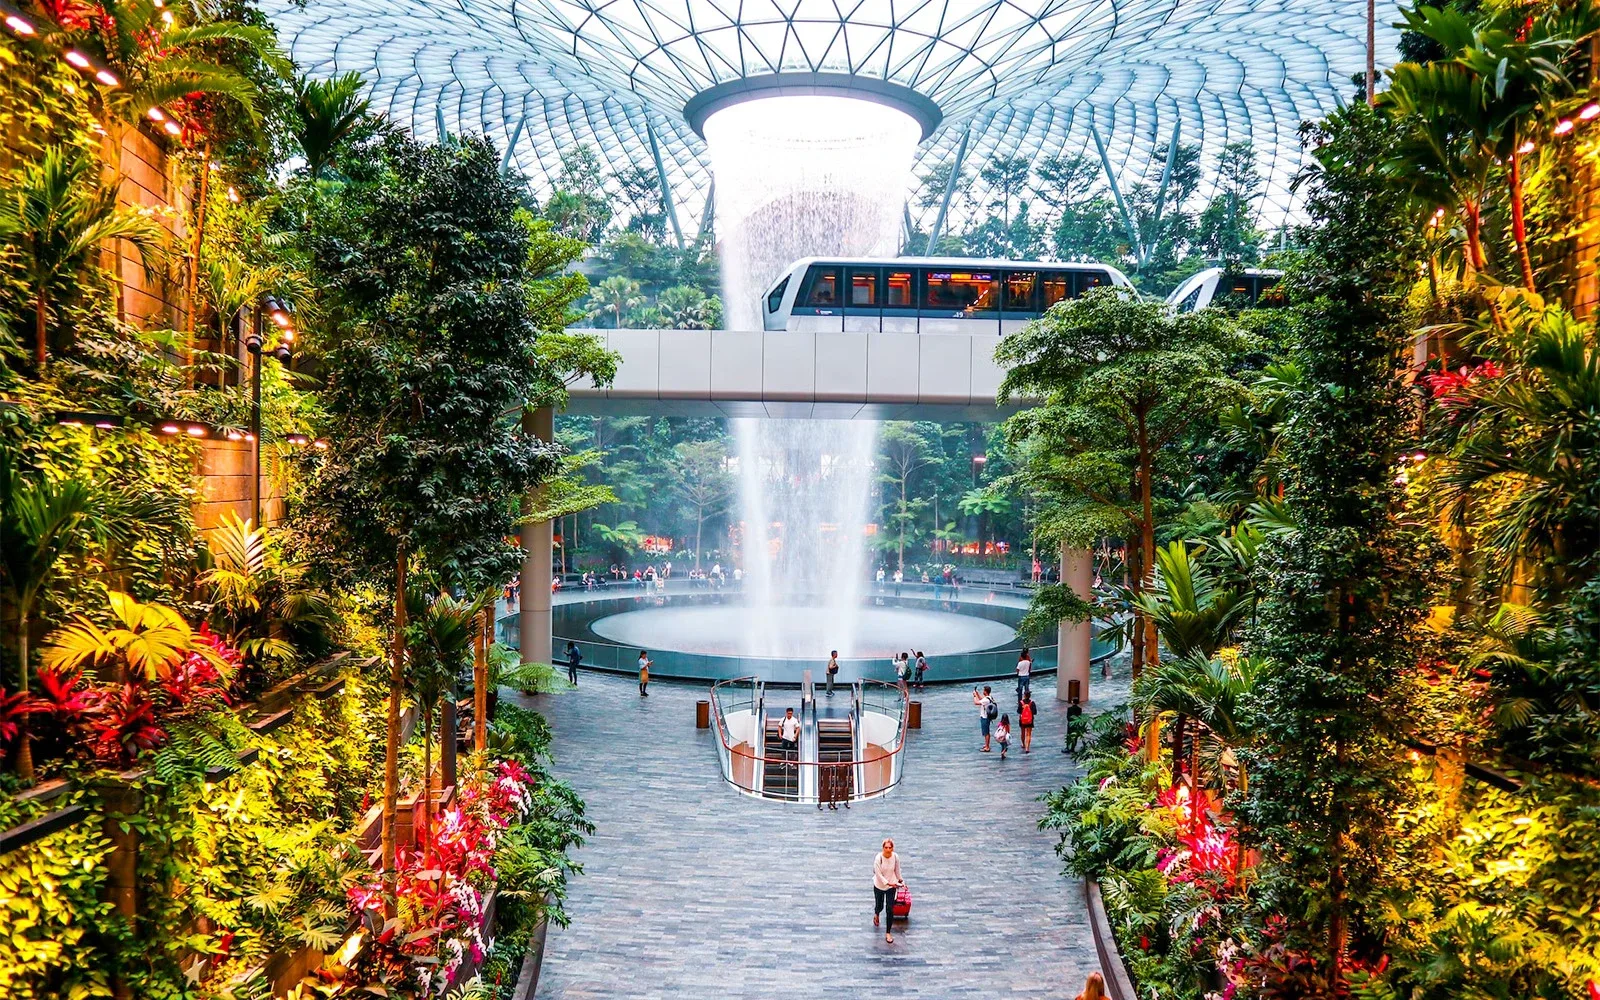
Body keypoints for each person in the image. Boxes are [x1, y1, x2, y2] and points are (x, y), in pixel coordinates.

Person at [872, 838, 904, 944]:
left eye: (890, 847)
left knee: (890, 909)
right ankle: (877, 913)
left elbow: (897, 870)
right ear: (883, 848)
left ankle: (888, 932)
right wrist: (888, 883)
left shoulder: (895, 857)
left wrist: (901, 881)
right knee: (879, 905)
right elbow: (878, 874)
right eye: (886, 847)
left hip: (892, 886)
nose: (888, 850)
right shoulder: (878, 858)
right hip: (879, 886)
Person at [974, 685, 996, 751]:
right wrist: (977, 694)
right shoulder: (989, 697)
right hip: (987, 717)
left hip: (985, 717)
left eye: (983, 690)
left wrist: (974, 696)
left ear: (985, 691)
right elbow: (981, 699)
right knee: (986, 732)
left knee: (986, 732)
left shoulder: (986, 700)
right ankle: (986, 744)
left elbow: (976, 702)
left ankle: (987, 747)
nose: (983, 691)